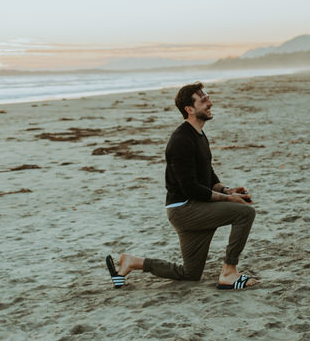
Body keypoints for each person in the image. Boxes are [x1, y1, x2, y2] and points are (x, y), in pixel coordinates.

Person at [106, 82, 258, 290]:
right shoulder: (181, 140)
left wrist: (227, 190)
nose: (210, 103)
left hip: (192, 207)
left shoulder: (199, 135)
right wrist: (229, 199)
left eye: (207, 98)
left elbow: (207, 174)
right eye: (203, 100)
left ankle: (132, 262)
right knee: (244, 213)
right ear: (189, 109)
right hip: (185, 209)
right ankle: (229, 273)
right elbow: (192, 189)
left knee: (190, 274)